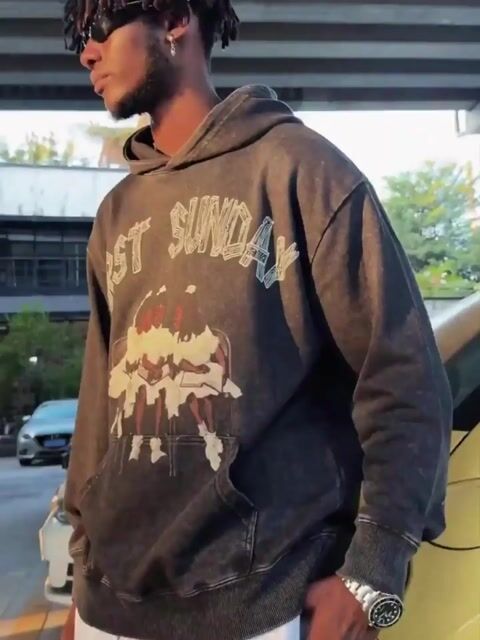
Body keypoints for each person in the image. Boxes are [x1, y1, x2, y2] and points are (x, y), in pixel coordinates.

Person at [61, 1, 452, 640]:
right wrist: (82, 578)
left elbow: (404, 380)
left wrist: (372, 578)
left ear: (175, 19)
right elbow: (98, 413)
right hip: (110, 611)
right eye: (79, 36)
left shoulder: (303, 170)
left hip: (261, 608)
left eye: (99, 26)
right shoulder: (117, 213)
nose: (87, 52)